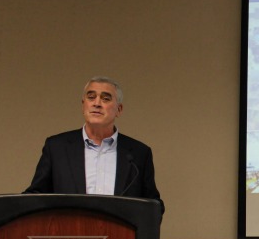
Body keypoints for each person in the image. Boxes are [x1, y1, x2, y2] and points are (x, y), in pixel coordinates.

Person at [25, 76, 164, 213]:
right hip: (68, 234)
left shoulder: (139, 154)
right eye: (91, 97)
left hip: (120, 235)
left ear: (119, 110)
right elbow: (36, 197)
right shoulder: (57, 148)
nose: (97, 103)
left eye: (106, 98)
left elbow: (153, 206)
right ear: (83, 104)